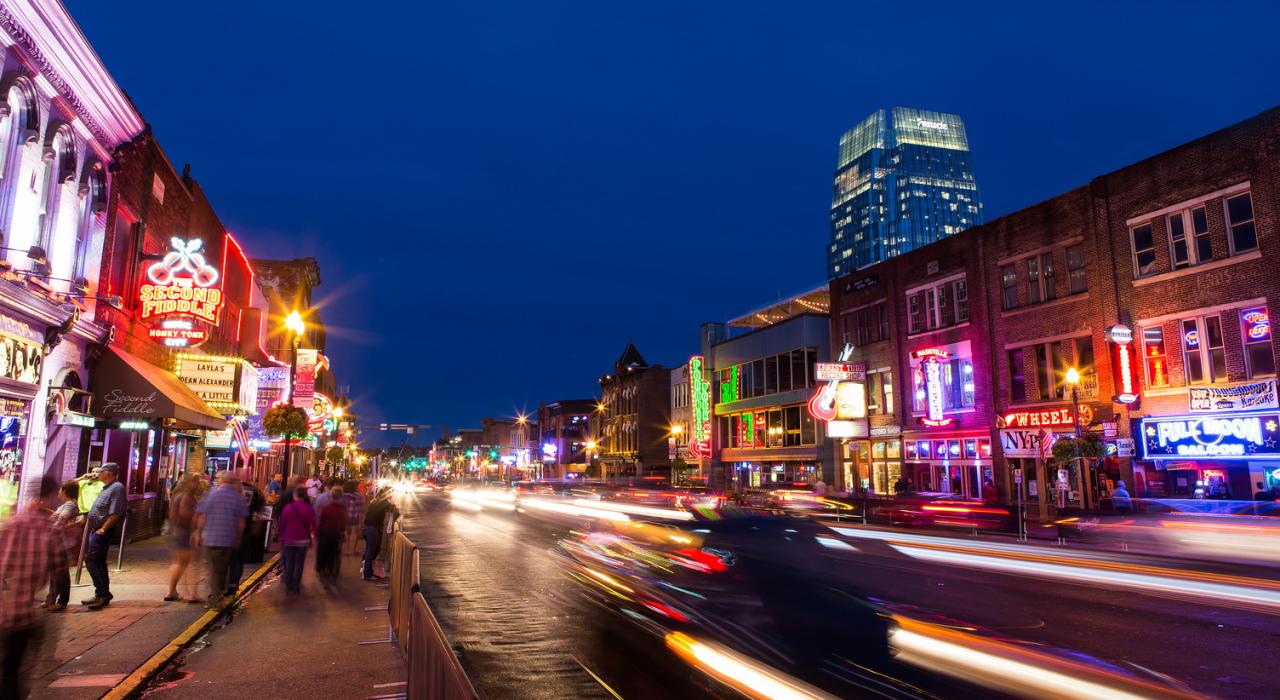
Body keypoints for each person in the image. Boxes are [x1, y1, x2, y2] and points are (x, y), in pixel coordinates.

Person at [0, 476, 62, 699]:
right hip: (24, 613)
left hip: (6, 608)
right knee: (16, 667)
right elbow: (60, 566)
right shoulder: (50, 528)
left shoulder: (11, 524)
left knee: (9, 666)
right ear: (51, 496)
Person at [194, 471, 248, 609]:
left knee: (212, 569)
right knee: (221, 570)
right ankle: (215, 598)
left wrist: (199, 534)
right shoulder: (238, 497)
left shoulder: (211, 494)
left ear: (222, 481)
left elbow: (202, 516)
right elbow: (241, 521)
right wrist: (238, 537)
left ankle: (214, 596)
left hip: (209, 537)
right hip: (227, 538)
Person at [83, 463, 126, 610]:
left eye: (101, 471)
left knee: (92, 560)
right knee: (98, 561)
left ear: (108, 473)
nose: (98, 474)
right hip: (96, 529)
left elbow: (116, 512)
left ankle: (102, 593)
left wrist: (103, 528)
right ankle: (101, 593)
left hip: (102, 530)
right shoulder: (107, 487)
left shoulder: (117, 488)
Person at [165, 473, 205, 603]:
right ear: (189, 482)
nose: (198, 484)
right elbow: (185, 513)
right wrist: (196, 521)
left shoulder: (176, 495)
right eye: (196, 481)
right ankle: (191, 594)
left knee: (177, 563)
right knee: (189, 564)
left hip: (174, 532)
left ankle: (171, 591)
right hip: (184, 533)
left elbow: (172, 514)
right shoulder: (187, 496)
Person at [45, 480, 82, 611]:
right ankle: (51, 599)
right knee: (55, 572)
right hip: (59, 543)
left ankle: (62, 601)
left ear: (65, 491)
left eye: (60, 490)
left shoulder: (70, 505)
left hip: (62, 544)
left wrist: (49, 535)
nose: (58, 492)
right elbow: (56, 517)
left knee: (61, 573)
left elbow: (61, 520)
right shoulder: (67, 505)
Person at [226, 479, 265, 597]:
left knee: (228, 558)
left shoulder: (231, 493)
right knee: (239, 558)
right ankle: (234, 584)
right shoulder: (255, 492)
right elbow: (260, 509)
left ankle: (226, 584)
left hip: (229, 529)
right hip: (245, 529)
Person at [279, 487, 316, 593]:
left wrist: (281, 535)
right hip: (303, 540)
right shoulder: (309, 508)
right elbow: (314, 523)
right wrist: (315, 537)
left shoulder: (288, 507)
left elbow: (282, 523)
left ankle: (289, 584)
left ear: (295, 495)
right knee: (299, 562)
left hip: (289, 539)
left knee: (289, 562)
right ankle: (296, 584)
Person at [361, 489, 396, 581]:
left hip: (366, 528)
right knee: (371, 552)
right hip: (373, 529)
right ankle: (367, 574)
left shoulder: (374, 501)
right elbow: (395, 511)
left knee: (369, 550)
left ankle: (366, 570)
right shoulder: (385, 503)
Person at [316, 485, 346, 585]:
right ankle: (331, 571)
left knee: (324, 551)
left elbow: (321, 521)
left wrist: (318, 533)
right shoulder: (342, 509)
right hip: (336, 533)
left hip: (325, 533)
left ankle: (323, 570)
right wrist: (342, 533)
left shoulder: (326, 508)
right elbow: (343, 523)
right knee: (333, 553)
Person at [343, 481, 367, 554]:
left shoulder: (344, 496)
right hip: (356, 516)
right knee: (356, 533)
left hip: (347, 516)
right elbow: (361, 507)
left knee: (348, 533)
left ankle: (347, 550)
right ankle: (353, 549)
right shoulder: (359, 496)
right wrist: (362, 517)